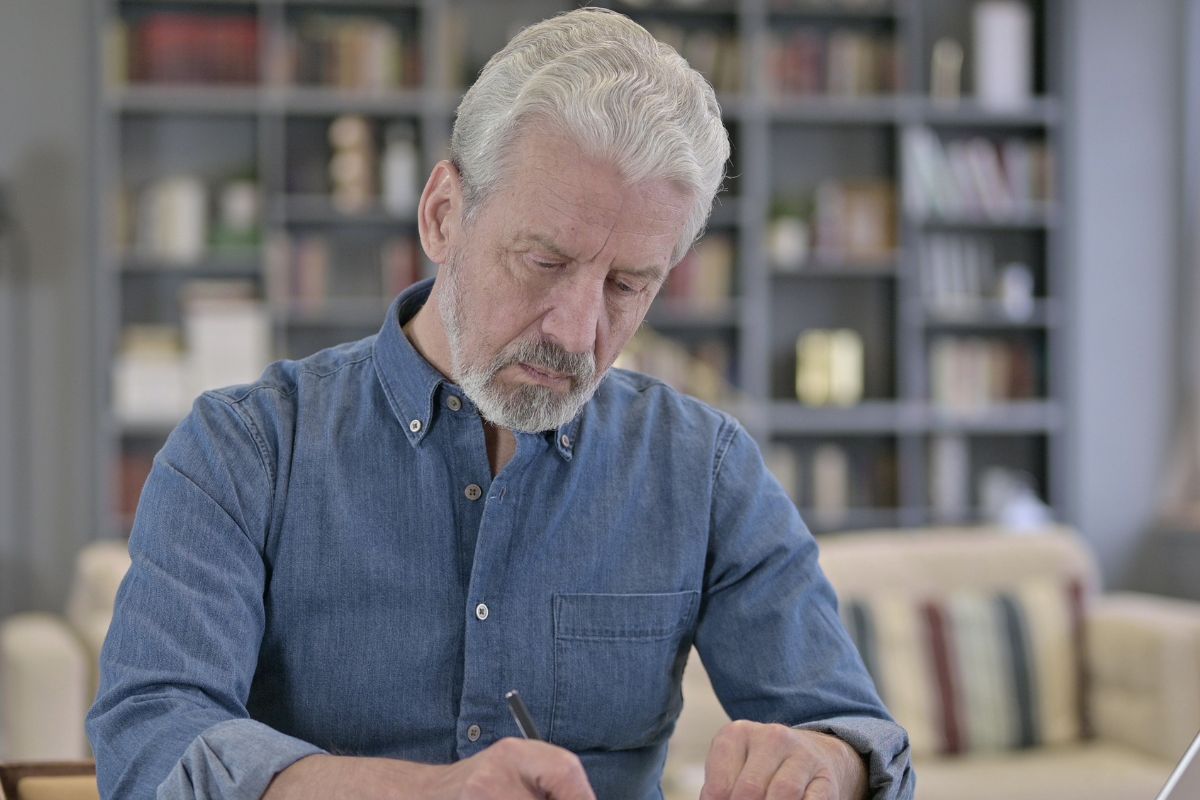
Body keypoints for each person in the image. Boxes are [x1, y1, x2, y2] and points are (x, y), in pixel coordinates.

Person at [87, 8, 913, 800]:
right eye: (545, 261)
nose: (579, 330)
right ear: (444, 215)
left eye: (628, 284)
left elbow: (856, 739)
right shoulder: (243, 451)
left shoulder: (703, 468)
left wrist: (820, 765)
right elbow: (151, 740)